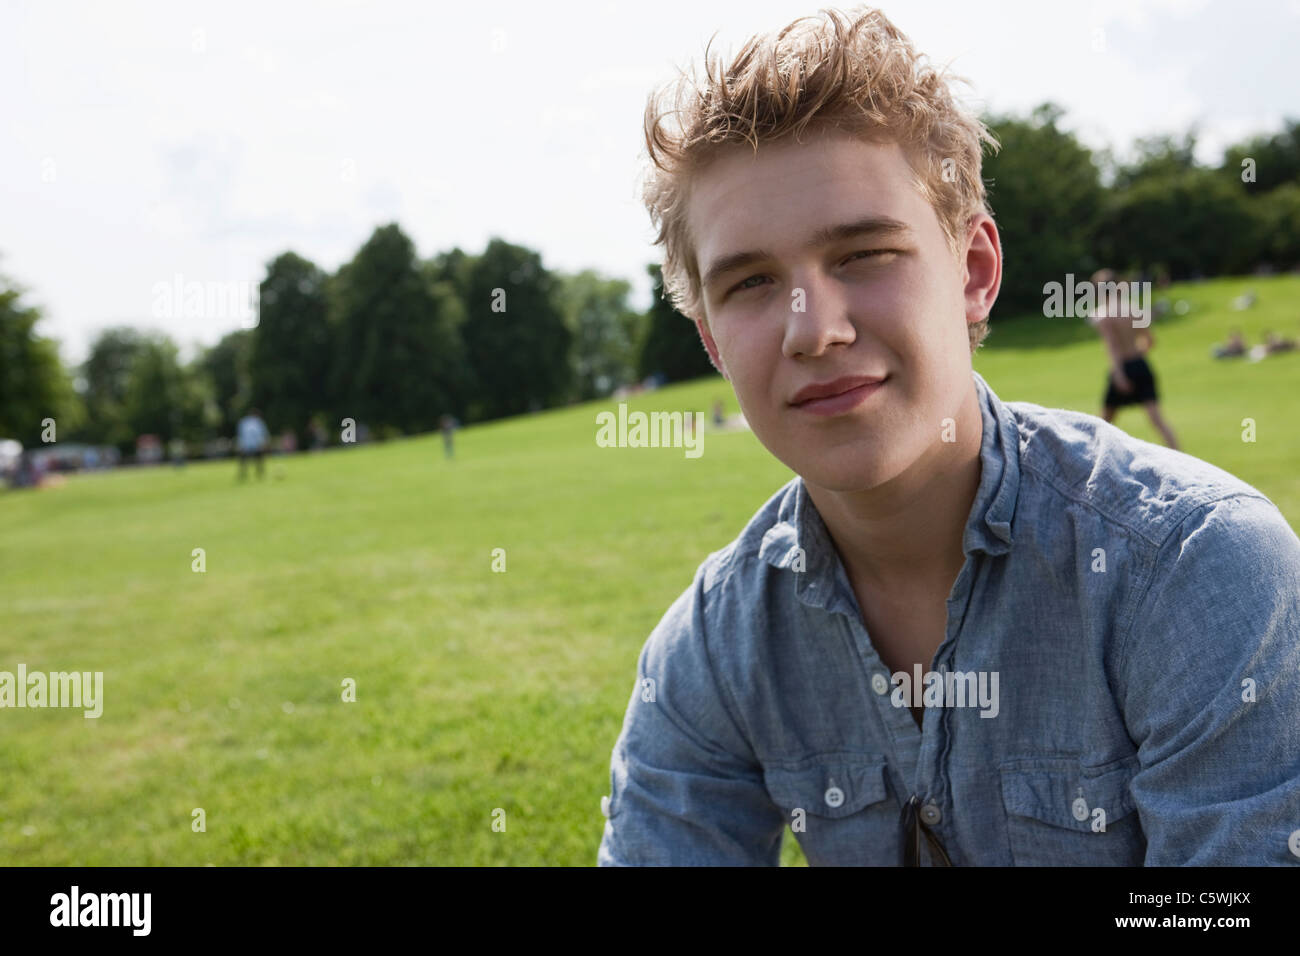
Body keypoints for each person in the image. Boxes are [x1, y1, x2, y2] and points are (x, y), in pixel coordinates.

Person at [598, 6, 1300, 867]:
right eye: (750, 282)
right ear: (710, 340)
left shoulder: (1196, 570)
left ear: (974, 273)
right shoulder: (713, 647)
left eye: (863, 255)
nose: (812, 330)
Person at [1088, 268, 1179, 449]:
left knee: (1104, 422)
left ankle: (1089, 455)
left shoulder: (1102, 315)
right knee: (1157, 419)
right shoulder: (1132, 309)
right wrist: (1136, 357)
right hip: (1140, 364)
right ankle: (1181, 456)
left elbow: (1112, 346)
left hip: (1122, 368)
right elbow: (1150, 341)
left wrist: (1120, 374)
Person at [235, 408, 269, 480]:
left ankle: (243, 475)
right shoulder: (259, 422)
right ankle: (259, 475)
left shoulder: (243, 422)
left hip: (246, 445)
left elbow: (240, 435)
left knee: (245, 462)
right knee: (259, 461)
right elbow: (262, 434)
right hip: (255, 445)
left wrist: (240, 445)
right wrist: (263, 444)